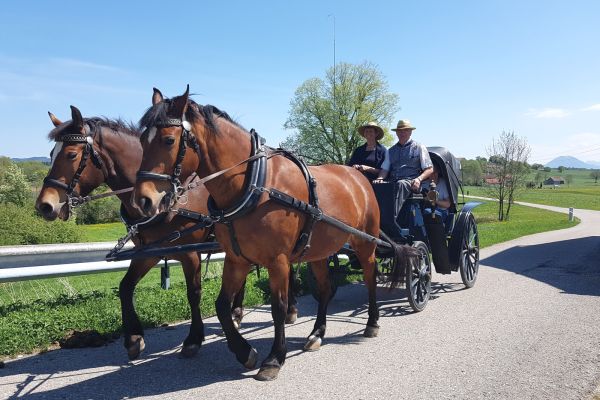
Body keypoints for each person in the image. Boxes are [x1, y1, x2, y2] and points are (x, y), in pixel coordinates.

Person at [373, 119, 433, 235]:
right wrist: (380, 178)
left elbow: (429, 169)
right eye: (400, 131)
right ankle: (374, 219)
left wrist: (419, 179)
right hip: (393, 181)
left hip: (412, 182)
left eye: (405, 130)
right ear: (396, 133)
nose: (402, 133)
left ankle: (390, 221)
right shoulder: (390, 151)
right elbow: (385, 169)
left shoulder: (419, 147)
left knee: (400, 184)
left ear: (410, 132)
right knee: (378, 185)